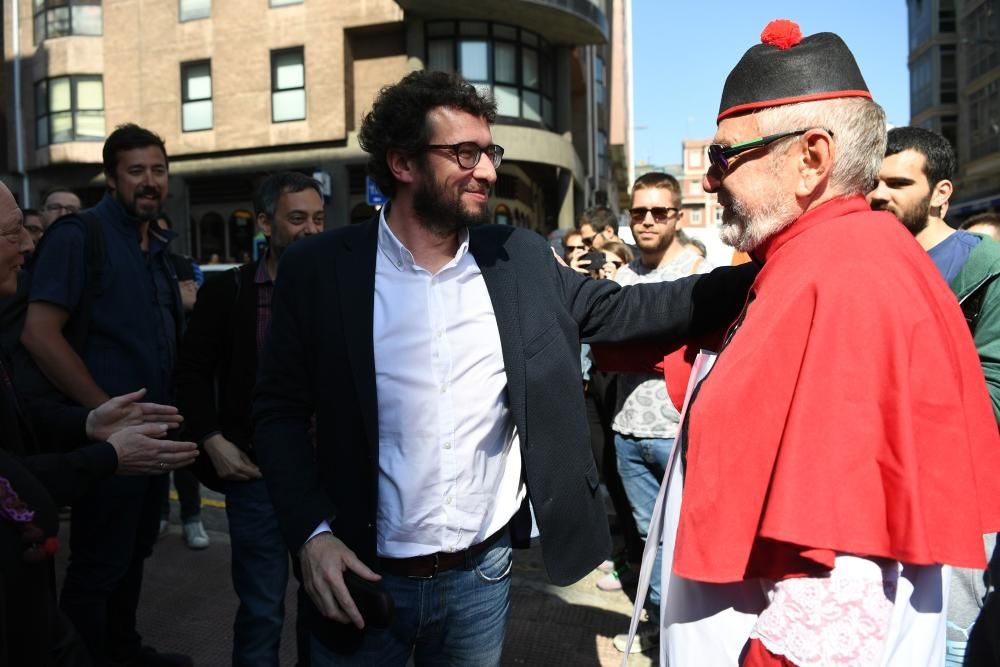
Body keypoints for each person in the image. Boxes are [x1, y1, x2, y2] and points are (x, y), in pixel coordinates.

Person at [251, 70, 756, 665]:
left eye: (489, 152)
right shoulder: (319, 269)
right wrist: (311, 536)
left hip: (481, 579)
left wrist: (775, 265)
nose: (488, 171)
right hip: (361, 576)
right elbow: (277, 414)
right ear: (403, 163)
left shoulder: (516, 257)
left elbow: (628, 308)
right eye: (464, 153)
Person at [652, 20, 1000, 665]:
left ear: (811, 157)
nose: (710, 181)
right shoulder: (825, 260)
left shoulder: (847, 279)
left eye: (726, 156)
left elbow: (846, 568)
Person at [0, 179, 197, 666]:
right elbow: (11, 478)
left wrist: (92, 423)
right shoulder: (80, 242)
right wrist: (107, 452)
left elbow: (23, 420)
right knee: (98, 567)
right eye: (11, 233)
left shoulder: (151, 249)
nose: (28, 242)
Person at [175, 171, 324, 666]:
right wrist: (211, 436)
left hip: (327, 479)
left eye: (319, 219)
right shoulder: (231, 291)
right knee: (262, 611)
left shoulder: (341, 289)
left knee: (327, 609)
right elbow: (191, 373)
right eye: (297, 218)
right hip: (256, 477)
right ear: (265, 223)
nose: (310, 229)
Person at [867, 126, 1000, 665]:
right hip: (874, 489)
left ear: (941, 192)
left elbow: (994, 384)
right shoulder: (864, 257)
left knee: (952, 635)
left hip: (955, 489)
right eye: (874, 182)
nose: (880, 194)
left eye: (899, 182)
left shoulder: (981, 264)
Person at [604, 173, 712, 654]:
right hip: (626, 429)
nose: (647, 221)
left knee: (685, 541)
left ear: (678, 217)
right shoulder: (623, 278)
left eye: (658, 212)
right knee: (647, 538)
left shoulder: (699, 273)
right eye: (639, 212)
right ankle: (660, 622)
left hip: (679, 433)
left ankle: (682, 636)